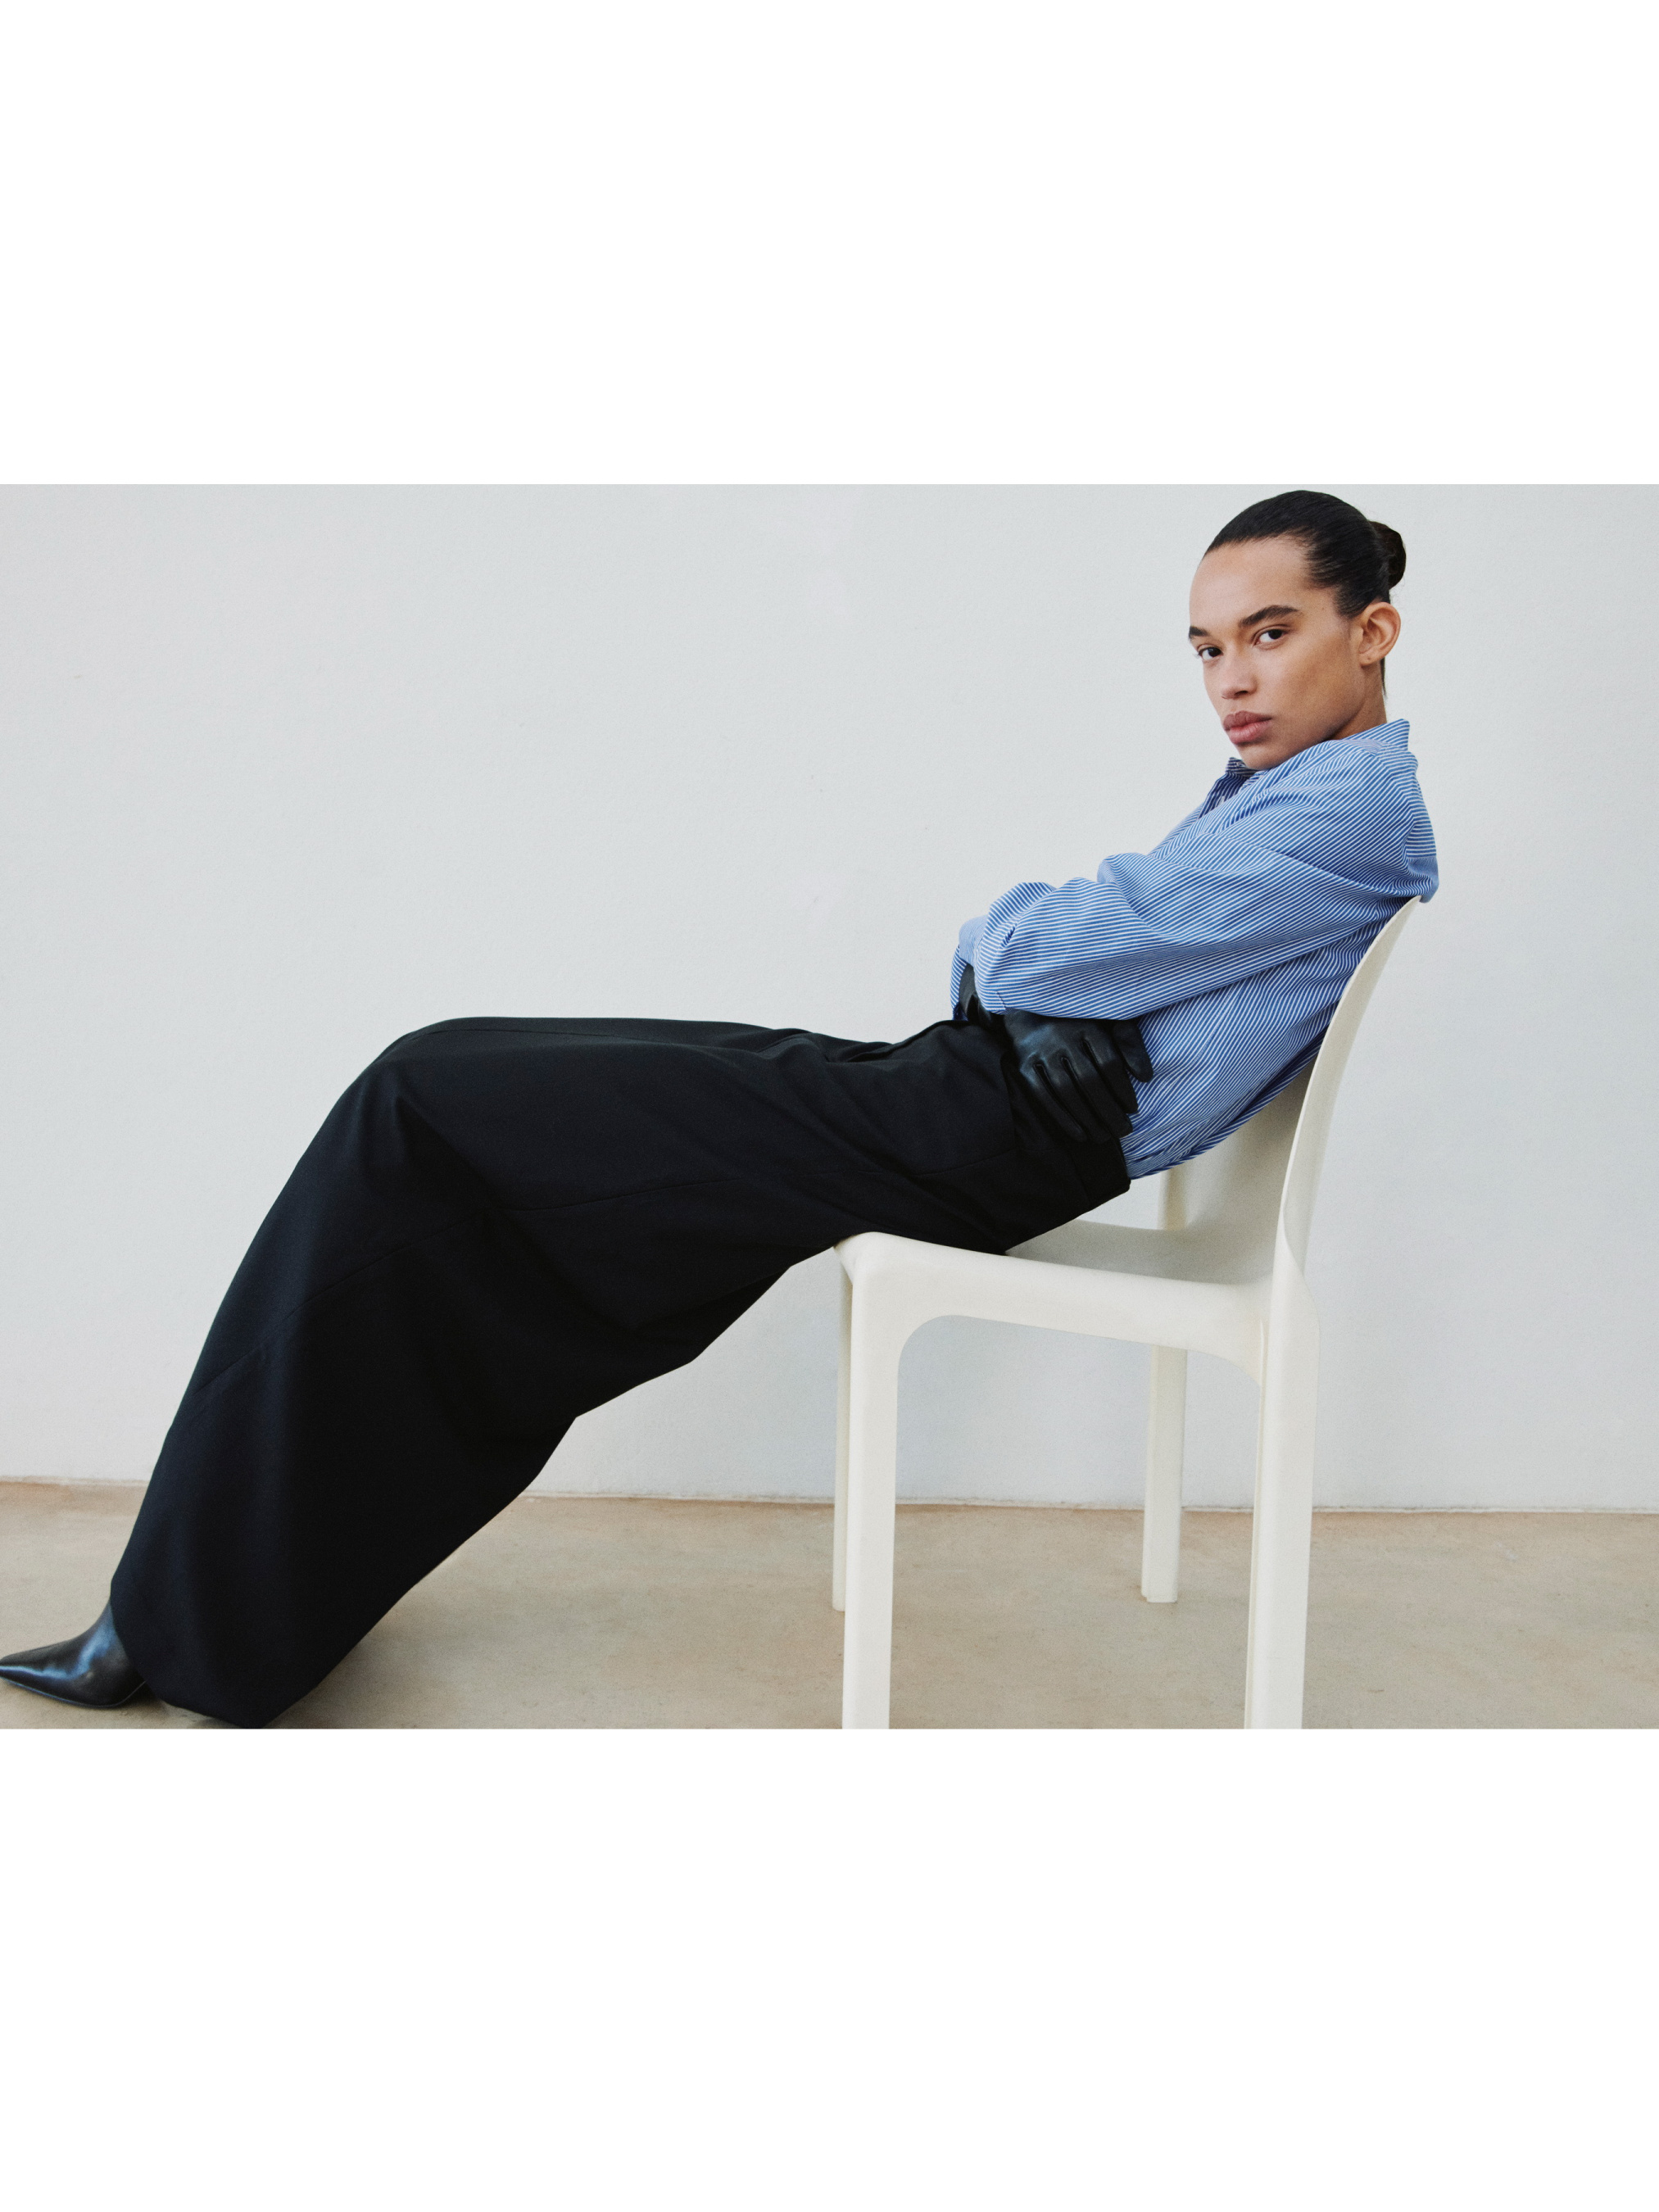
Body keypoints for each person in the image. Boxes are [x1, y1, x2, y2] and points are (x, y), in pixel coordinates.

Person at [0, 489, 1439, 1726]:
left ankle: (175, 1619)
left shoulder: (1349, 814)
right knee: (425, 1099)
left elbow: (1051, 940)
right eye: (1206, 648)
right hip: (954, 1098)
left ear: (1369, 630)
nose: (1231, 680)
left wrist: (1034, 975)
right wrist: (1042, 975)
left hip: (978, 1131)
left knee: (418, 1097)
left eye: (1270, 634)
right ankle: (220, 1604)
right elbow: (1062, 943)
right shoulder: (1285, 786)